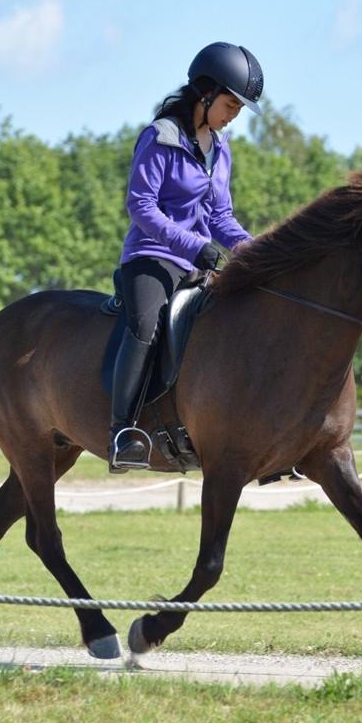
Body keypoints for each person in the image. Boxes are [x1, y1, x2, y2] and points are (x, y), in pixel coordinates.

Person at [108, 42, 264, 472]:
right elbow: (142, 206)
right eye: (231, 103)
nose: (234, 114)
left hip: (199, 265)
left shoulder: (221, 148)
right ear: (205, 92)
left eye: (239, 107)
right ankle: (122, 431)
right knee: (145, 327)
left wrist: (255, 251)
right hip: (152, 257)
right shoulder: (160, 138)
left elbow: (221, 217)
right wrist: (194, 245)